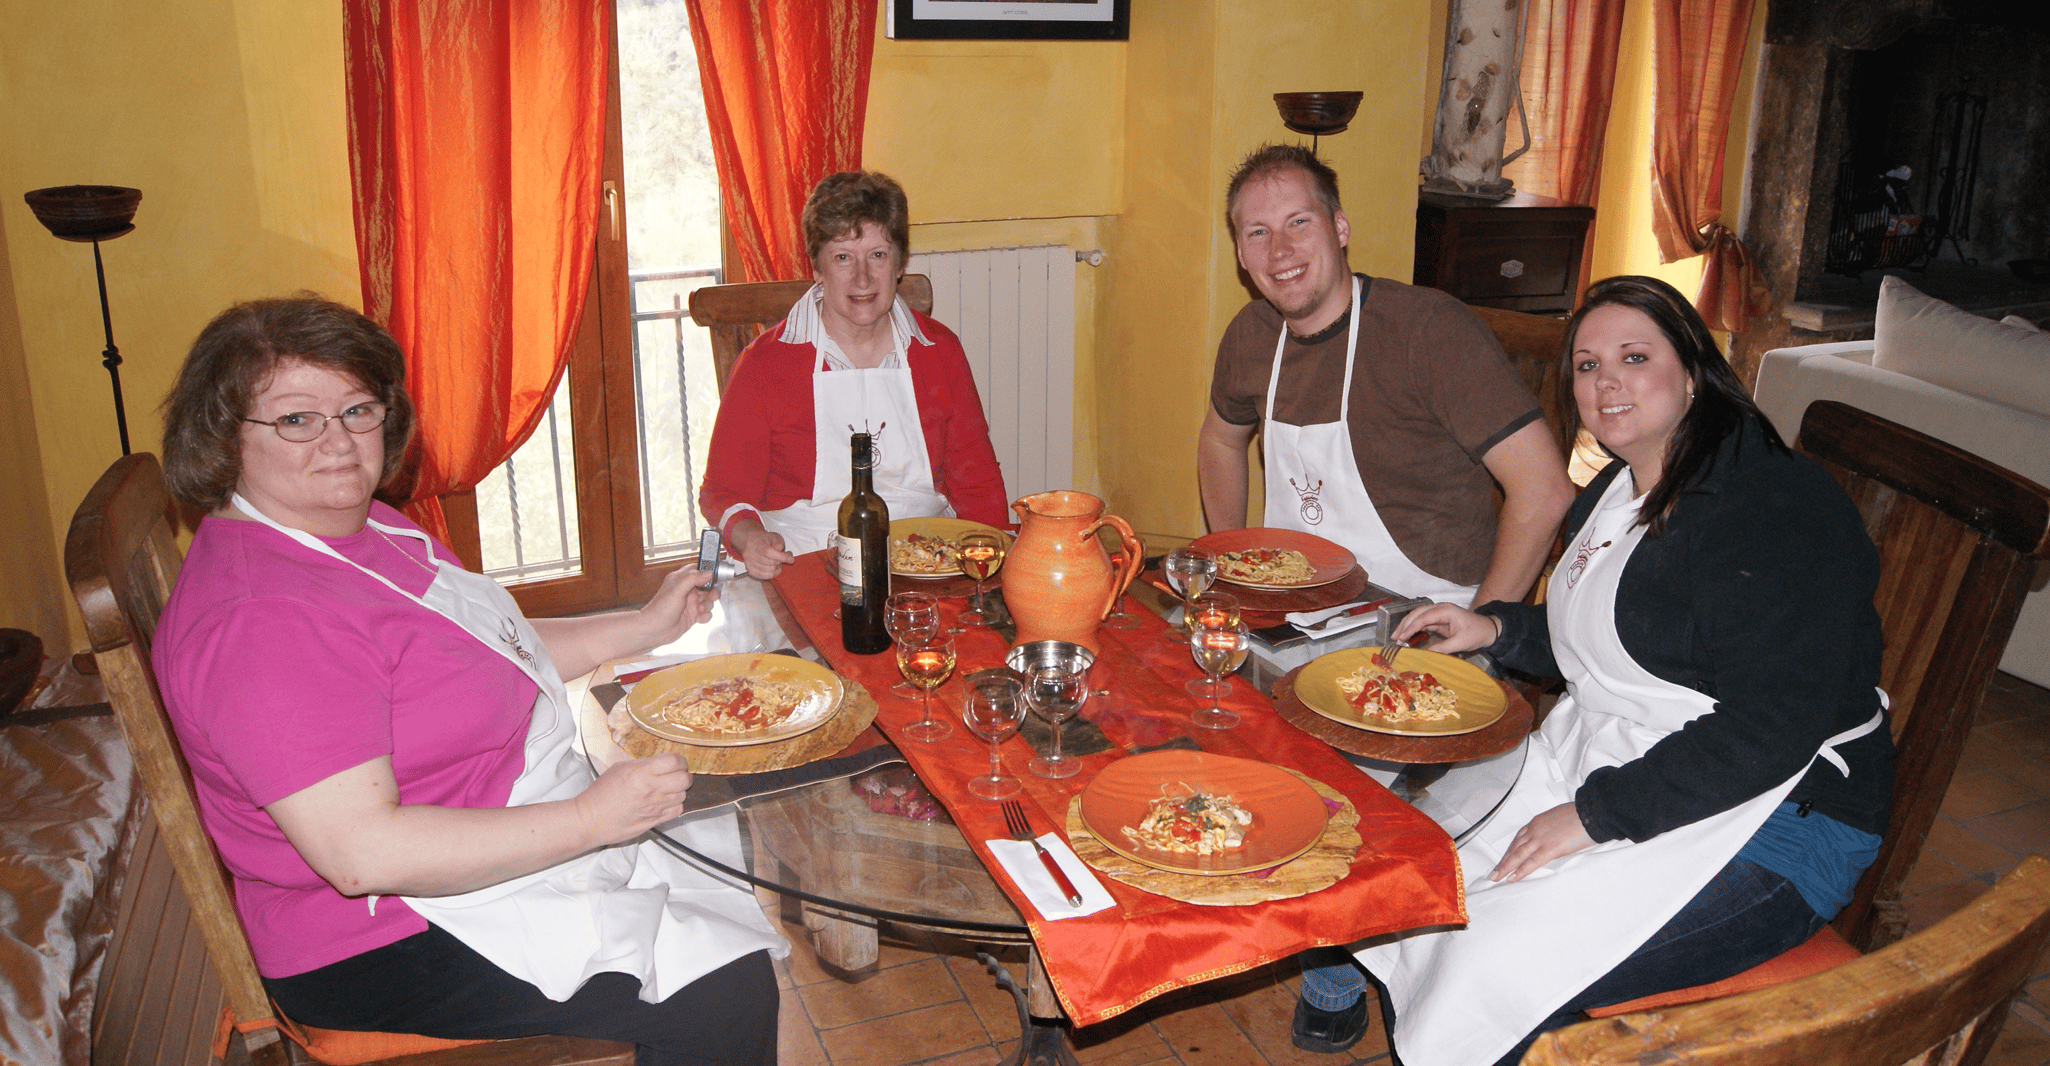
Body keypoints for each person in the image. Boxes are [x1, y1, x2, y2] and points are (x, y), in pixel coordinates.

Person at [152, 296, 784, 1066]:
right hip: (384, 934)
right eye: (296, 420)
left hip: (478, 831)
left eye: (358, 409)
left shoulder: (355, 526)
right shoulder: (263, 622)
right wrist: (591, 819)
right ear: (224, 438)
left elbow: (492, 651)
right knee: (721, 993)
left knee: (714, 877)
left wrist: (645, 625)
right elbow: (362, 854)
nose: (340, 442)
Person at [1306, 276, 1896, 1066]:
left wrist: (1592, 817)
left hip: (1778, 820)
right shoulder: (1619, 487)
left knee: (1490, 959)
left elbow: (1772, 728)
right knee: (1416, 886)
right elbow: (1603, 646)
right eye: (1586, 366)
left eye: (1633, 356)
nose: (1605, 382)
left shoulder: (1771, 507)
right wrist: (1493, 626)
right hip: (1619, 761)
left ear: (1691, 368)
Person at [1197, 144, 1574, 612]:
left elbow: (1545, 490)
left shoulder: (1427, 330)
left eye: (1299, 222)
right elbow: (1220, 441)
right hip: (1294, 607)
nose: (1280, 250)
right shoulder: (1250, 337)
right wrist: (1235, 565)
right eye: (1258, 232)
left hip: (1427, 614)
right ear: (1241, 255)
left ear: (1339, 227)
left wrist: (1483, 629)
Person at [700, 170, 1009, 579]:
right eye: (843, 256)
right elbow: (724, 492)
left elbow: (977, 480)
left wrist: (994, 565)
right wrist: (751, 538)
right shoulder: (765, 364)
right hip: (805, 561)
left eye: (878, 255)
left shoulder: (940, 351)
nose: (862, 278)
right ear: (818, 268)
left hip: (926, 562)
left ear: (899, 264)